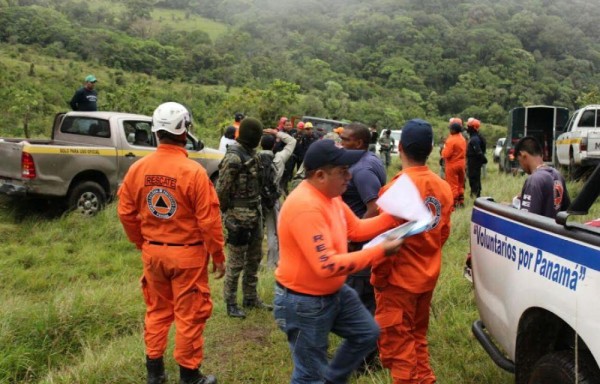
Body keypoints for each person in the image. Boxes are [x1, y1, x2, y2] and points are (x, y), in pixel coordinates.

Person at [274, 139, 404, 384]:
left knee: (367, 333)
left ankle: (331, 380)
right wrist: (381, 251)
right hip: (304, 301)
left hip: (332, 292)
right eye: (343, 171)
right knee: (308, 375)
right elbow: (328, 266)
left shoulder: (332, 197)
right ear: (320, 175)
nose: (350, 176)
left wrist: (395, 218)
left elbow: (356, 229)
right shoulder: (306, 207)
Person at [117, 102, 224, 384]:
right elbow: (209, 221)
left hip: (153, 253)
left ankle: (155, 374)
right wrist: (218, 255)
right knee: (189, 315)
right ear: (185, 131)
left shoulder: (138, 169)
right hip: (187, 256)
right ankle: (190, 377)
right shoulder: (194, 172)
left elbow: (125, 212)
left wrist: (142, 242)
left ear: (156, 132)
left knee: (157, 311)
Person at [371, 119, 453, 384]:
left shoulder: (394, 190)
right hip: (426, 278)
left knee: (399, 350)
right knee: (417, 338)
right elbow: (443, 234)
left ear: (400, 146)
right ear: (430, 149)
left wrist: (378, 279)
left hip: (398, 283)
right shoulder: (443, 187)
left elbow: (387, 244)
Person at [339, 122, 387, 371]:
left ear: (358, 143)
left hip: (361, 244)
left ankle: (364, 361)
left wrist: (352, 235)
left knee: (360, 303)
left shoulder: (363, 170)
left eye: (345, 139)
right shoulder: (369, 160)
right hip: (363, 243)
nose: (340, 142)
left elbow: (374, 207)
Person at [216, 117, 271, 319]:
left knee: (254, 258)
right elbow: (221, 190)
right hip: (238, 216)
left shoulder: (252, 155)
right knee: (236, 261)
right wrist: (226, 214)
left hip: (254, 212)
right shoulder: (234, 158)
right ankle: (230, 302)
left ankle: (250, 297)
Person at [259, 128, 297, 268]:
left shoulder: (254, 158)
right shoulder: (279, 159)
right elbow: (292, 141)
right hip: (271, 199)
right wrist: (277, 133)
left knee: (256, 232)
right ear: (273, 145)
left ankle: (255, 261)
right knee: (272, 232)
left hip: (256, 200)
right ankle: (271, 263)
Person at [514, 136, 570, 219]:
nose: (521, 166)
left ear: (523, 155)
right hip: (553, 230)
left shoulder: (534, 180)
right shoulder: (558, 175)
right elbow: (566, 208)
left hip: (539, 231)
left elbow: (526, 220)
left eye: (519, 161)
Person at [441, 117, 467, 208]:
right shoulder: (462, 138)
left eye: (450, 129)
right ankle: (461, 201)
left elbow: (446, 154)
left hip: (452, 165)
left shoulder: (451, 140)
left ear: (454, 130)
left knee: (452, 185)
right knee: (460, 184)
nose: (450, 130)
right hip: (462, 164)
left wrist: (443, 151)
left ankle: (454, 203)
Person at [466, 118, 487, 198]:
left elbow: (478, 151)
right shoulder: (476, 137)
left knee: (473, 178)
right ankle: (475, 194)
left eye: (469, 126)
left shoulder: (474, 139)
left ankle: (475, 195)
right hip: (474, 161)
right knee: (475, 178)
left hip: (474, 162)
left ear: (473, 128)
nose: (467, 128)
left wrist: (483, 159)